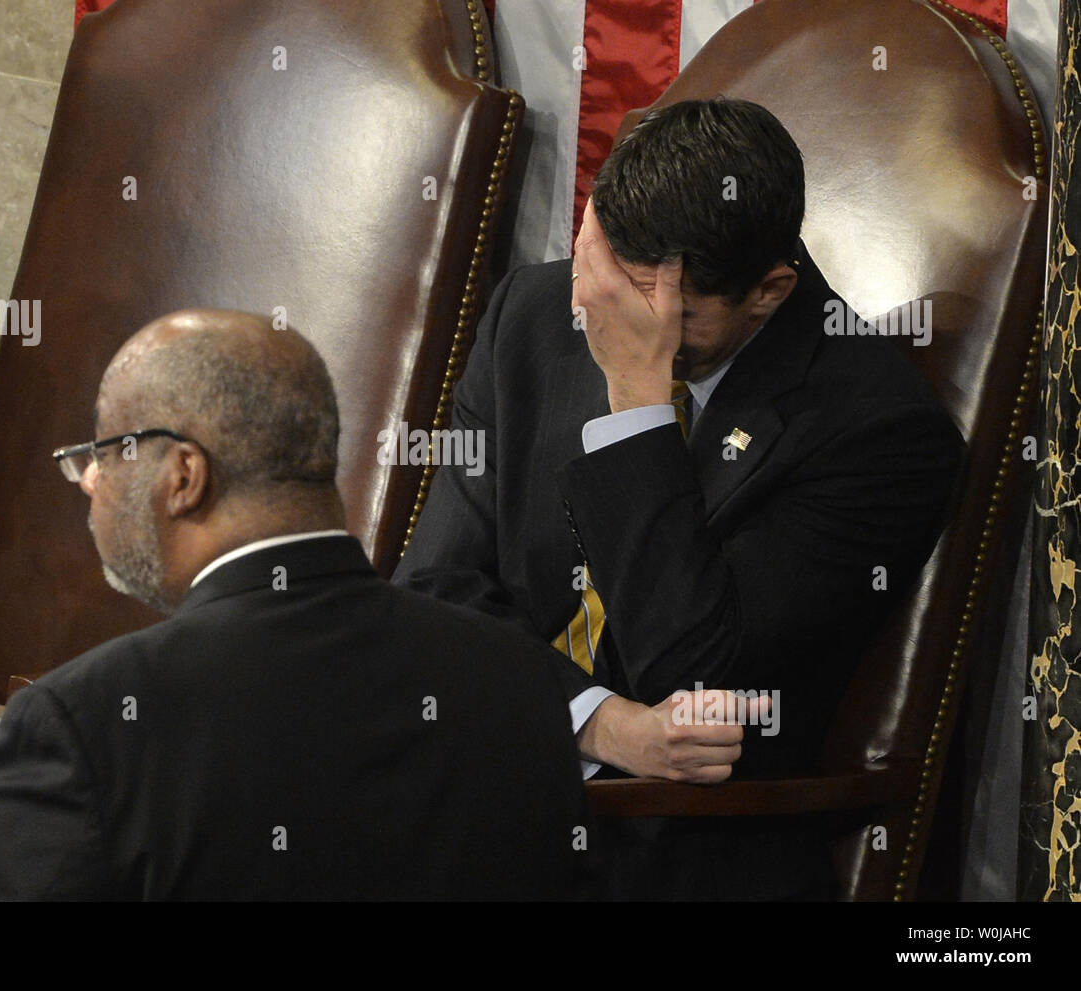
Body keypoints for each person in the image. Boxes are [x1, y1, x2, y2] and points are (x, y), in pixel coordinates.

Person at [0, 309, 601, 900]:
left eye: (102, 453)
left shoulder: (90, 724)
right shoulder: (517, 678)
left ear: (184, 475)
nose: (88, 482)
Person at [393, 98, 966, 900]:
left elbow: (693, 674)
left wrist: (636, 404)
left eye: (669, 316)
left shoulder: (877, 433)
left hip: (671, 857)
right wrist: (599, 723)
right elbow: (430, 599)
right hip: (483, 787)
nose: (615, 325)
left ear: (769, 290)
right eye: (614, 287)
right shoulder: (534, 315)